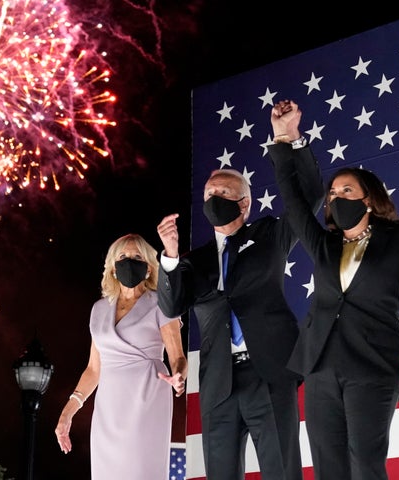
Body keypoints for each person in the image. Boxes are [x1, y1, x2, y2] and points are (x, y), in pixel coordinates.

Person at [268, 99, 399, 480]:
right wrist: (285, 138)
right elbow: (293, 203)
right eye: (333, 192)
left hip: (373, 366)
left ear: (369, 199)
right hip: (321, 366)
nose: (336, 196)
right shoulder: (324, 243)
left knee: (366, 464)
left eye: (346, 189)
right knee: (329, 468)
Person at [156, 132, 324, 478]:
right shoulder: (194, 262)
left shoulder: (269, 235)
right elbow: (171, 307)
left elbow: (310, 197)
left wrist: (290, 142)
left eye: (222, 193)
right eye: (208, 194)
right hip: (219, 384)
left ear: (244, 203)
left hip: (270, 374)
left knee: (282, 471)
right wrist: (170, 257)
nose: (213, 198)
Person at [54, 233, 187, 480]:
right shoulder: (99, 309)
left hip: (146, 399)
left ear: (148, 268)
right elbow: (94, 370)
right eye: (123, 256)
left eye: (137, 256)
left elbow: (177, 357)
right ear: (113, 268)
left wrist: (179, 376)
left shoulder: (161, 303)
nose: (129, 261)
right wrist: (67, 413)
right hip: (108, 410)